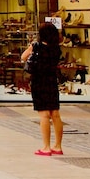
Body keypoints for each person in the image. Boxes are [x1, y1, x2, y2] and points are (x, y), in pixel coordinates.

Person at [21, 22, 63, 156]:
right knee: (55, 114)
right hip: (52, 81)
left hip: (39, 81)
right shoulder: (57, 49)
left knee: (44, 115)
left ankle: (46, 147)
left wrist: (32, 48)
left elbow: (23, 57)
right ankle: (58, 146)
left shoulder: (36, 46)